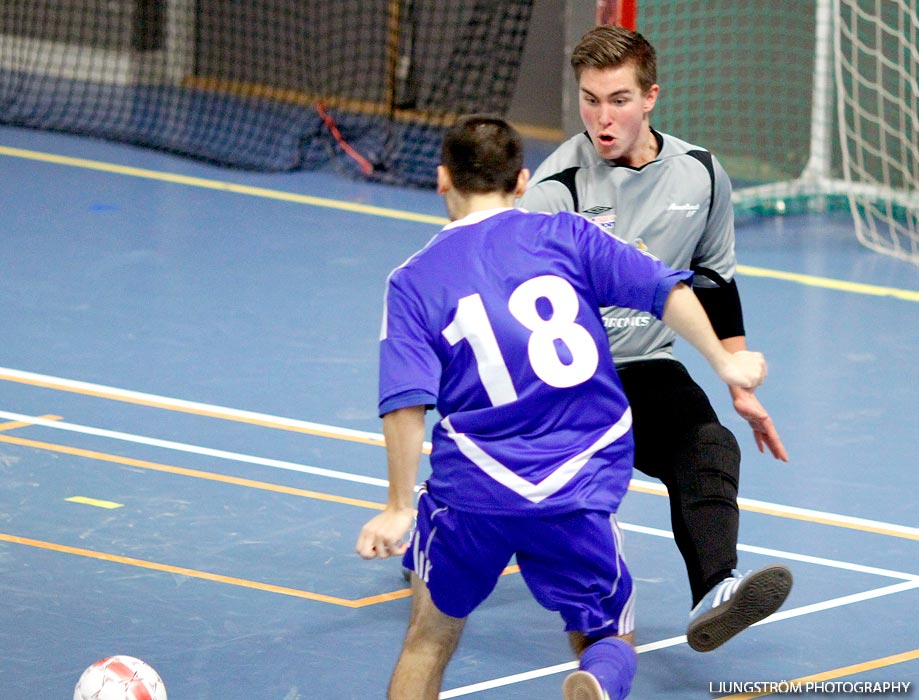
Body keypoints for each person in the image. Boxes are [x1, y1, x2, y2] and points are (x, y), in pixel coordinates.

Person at [355, 114, 770, 700]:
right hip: (577, 488)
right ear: (522, 182)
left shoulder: (414, 279)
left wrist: (399, 506)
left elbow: (404, 401)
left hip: (474, 491)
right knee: (608, 637)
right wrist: (725, 362)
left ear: (442, 179)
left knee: (427, 639)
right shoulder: (567, 236)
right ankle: (596, 680)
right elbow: (666, 289)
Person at [517, 24, 793, 653]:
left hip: (644, 366)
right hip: (564, 374)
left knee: (709, 447)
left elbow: (714, 281)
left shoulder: (699, 175)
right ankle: (437, 514)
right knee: (516, 503)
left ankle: (717, 590)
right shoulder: (556, 191)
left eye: (617, 99)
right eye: (590, 99)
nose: (601, 117)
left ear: (650, 98)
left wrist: (735, 377)